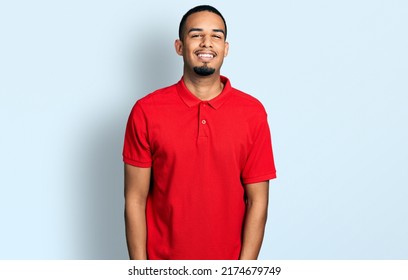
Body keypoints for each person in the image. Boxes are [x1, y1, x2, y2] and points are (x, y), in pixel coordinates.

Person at [123, 5, 276, 260]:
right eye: (196, 35)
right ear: (179, 46)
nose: (207, 43)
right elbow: (135, 200)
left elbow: (258, 202)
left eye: (216, 36)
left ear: (225, 48)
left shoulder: (252, 113)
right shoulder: (146, 111)